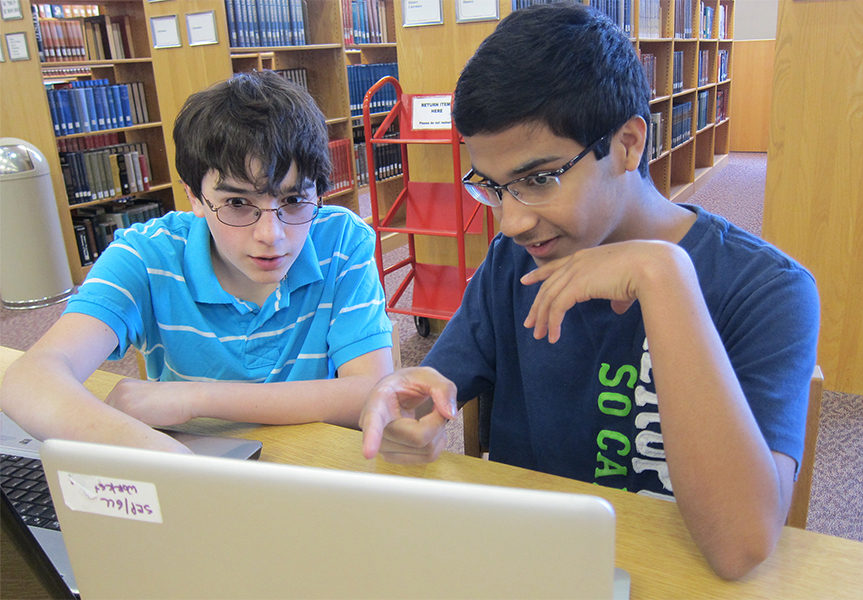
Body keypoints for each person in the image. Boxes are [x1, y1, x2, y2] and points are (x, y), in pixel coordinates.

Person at [358, 4, 819, 580]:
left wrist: (665, 278)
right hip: (535, 567)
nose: (510, 223)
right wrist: (406, 406)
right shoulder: (515, 263)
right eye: (494, 188)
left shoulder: (767, 290)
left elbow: (739, 546)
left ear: (627, 144)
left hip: (675, 576)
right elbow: (433, 390)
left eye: (538, 179)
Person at [2, 71, 394, 453]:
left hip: (317, 466)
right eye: (238, 204)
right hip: (188, 471)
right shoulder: (148, 255)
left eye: (293, 200)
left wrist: (195, 397)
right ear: (194, 197)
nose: (271, 235)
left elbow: (371, 392)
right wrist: (167, 460)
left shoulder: (341, 240)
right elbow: (30, 380)